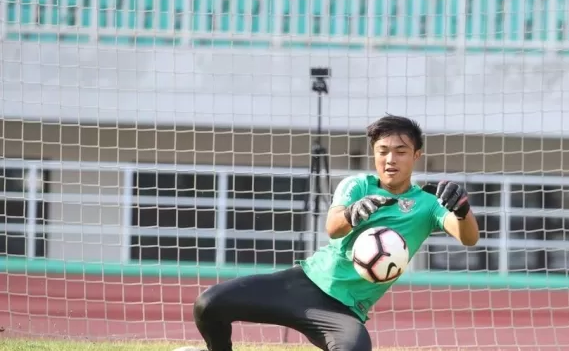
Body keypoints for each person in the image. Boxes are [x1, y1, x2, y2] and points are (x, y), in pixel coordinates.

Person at [174, 115, 480, 351]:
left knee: (356, 348)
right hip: (301, 284)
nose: (390, 159)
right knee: (209, 303)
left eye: (401, 151)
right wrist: (352, 213)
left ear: (416, 155)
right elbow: (333, 226)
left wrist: (462, 210)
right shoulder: (357, 185)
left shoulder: (427, 204)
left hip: (343, 310)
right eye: (383, 150)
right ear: (374, 154)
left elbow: (468, 238)